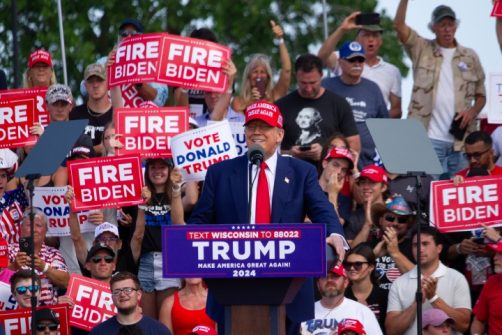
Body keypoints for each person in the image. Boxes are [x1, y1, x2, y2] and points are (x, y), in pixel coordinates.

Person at [188, 100, 347, 335]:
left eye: (265, 127)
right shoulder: (220, 173)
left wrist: (334, 233)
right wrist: (188, 244)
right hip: (231, 288)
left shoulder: (301, 173)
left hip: (287, 289)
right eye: (251, 127)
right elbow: (200, 220)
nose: (257, 133)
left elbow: (322, 209)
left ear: (280, 134)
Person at [394, 2, 486, 178]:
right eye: (442, 25)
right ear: (433, 27)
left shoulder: (470, 56)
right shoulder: (421, 48)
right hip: (426, 139)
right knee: (427, 194)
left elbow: (481, 95)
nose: (447, 29)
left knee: (459, 195)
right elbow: (399, 25)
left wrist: (472, 112)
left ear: (456, 26)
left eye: (450, 24)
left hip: (461, 142)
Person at [385, 226, 471, 335]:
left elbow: (464, 325)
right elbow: (391, 331)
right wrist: (416, 302)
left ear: (439, 248)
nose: (420, 249)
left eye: (425, 244)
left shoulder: (457, 278)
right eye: (416, 245)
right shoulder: (399, 283)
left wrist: (434, 298)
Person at [277, 54, 360, 165]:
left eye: (313, 83)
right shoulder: (281, 106)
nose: (308, 88)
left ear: (321, 75)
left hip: (328, 175)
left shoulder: (338, 104)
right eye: (303, 83)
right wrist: (290, 154)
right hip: (291, 173)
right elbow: (268, 147)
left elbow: (354, 146)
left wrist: (325, 153)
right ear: (296, 76)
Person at [318, 11, 402, 118]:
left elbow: (396, 110)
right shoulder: (344, 57)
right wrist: (342, 30)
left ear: (381, 41)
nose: (371, 39)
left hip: (372, 130)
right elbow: (320, 58)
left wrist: (373, 121)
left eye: (375, 35)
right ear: (357, 39)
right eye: (366, 35)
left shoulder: (392, 71)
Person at [321, 41, 389, 168]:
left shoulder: (373, 88)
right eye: (352, 60)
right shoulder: (326, 85)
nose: (357, 64)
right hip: (331, 159)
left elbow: (385, 126)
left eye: (360, 60)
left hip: (367, 161)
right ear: (340, 61)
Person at [300, 264, 382, 334]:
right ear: (318, 284)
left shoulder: (362, 312)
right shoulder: (303, 313)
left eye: (335, 276)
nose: (329, 280)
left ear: (345, 282)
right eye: (324, 276)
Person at [8, 209, 69, 305]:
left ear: (45, 231)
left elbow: (65, 282)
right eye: (29, 225)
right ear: (21, 228)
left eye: (38, 226)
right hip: (15, 313)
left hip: (46, 313)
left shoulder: (53, 253)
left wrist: (44, 268)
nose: (34, 230)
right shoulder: (9, 250)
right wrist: (13, 267)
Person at [232, 20, 291, 113]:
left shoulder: (275, 95)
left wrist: (280, 40)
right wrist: (253, 102)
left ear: (268, 77)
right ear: (248, 76)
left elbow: (287, 70)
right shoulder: (238, 102)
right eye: (255, 72)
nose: (259, 76)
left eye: (263, 72)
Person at [89, 271, 172, 335]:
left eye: (128, 290)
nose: (122, 294)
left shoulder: (158, 331)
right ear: (112, 297)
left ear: (138, 294)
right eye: (117, 291)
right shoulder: (99, 332)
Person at [371, 195, 415, 291]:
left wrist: (395, 252)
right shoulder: (368, 246)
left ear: (408, 224)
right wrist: (373, 256)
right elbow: (354, 274)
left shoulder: (415, 247)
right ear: (381, 221)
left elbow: (419, 279)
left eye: (402, 220)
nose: (395, 223)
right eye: (390, 218)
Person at [70, 63, 113, 156]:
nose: (95, 85)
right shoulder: (74, 114)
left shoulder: (116, 114)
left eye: (99, 80)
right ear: (85, 85)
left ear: (108, 83)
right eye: (91, 81)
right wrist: (95, 149)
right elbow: (67, 151)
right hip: (82, 169)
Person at [343, 244, 388, 331]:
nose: (352, 268)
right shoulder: (341, 296)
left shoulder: (385, 296)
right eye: (348, 264)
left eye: (358, 264)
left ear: (371, 267)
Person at [469, 238, 502, 335]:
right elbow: (479, 319)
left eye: (500, 253)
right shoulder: (492, 282)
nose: (495, 257)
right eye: (495, 253)